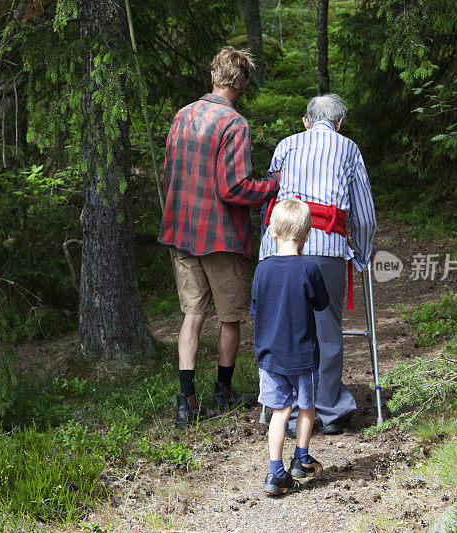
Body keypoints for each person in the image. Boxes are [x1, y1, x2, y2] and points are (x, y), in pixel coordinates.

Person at [158, 46, 280, 428]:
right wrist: (273, 186)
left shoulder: (182, 116)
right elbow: (235, 188)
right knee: (230, 317)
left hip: (181, 231)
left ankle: (185, 402)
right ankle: (222, 393)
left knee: (192, 316)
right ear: (241, 85)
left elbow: (170, 172)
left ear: (213, 77)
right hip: (220, 237)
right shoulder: (235, 124)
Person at [259, 94, 376, 437]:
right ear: (339, 123)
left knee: (284, 328)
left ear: (306, 121)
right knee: (326, 331)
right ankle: (326, 410)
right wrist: (363, 255)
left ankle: (286, 409)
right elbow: (365, 216)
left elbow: (270, 199)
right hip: (326, 246)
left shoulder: (286, 145)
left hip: (278, 249)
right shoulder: (348, 148)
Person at [252, 198, 329, 495]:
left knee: (279, 411)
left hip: (270, 356)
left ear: (272, 233)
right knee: (306, 407)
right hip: (303, 355)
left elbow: (256, 310)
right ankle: (301, 458)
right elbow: (322, 303)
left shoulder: (261, 270)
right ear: (307, 235)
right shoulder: (309, 269)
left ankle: (275, 473)